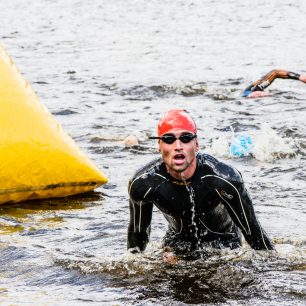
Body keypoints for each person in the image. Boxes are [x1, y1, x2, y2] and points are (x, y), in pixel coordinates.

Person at [127, 109, 274, 263]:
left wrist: (273, 267)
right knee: (168, 263)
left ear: (196, 145)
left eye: (185, 138)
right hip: (177, 242)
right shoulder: (143, 184)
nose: (178, 146)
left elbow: (252, 231)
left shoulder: (224, 178)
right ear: (159, 146)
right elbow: (137, 239)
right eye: (169, 139)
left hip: (224, 243)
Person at [241, 69, 306, 98]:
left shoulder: (256, 88)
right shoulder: (256, 88)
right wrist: (299, 77)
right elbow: (275, 73)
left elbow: (275, 73)